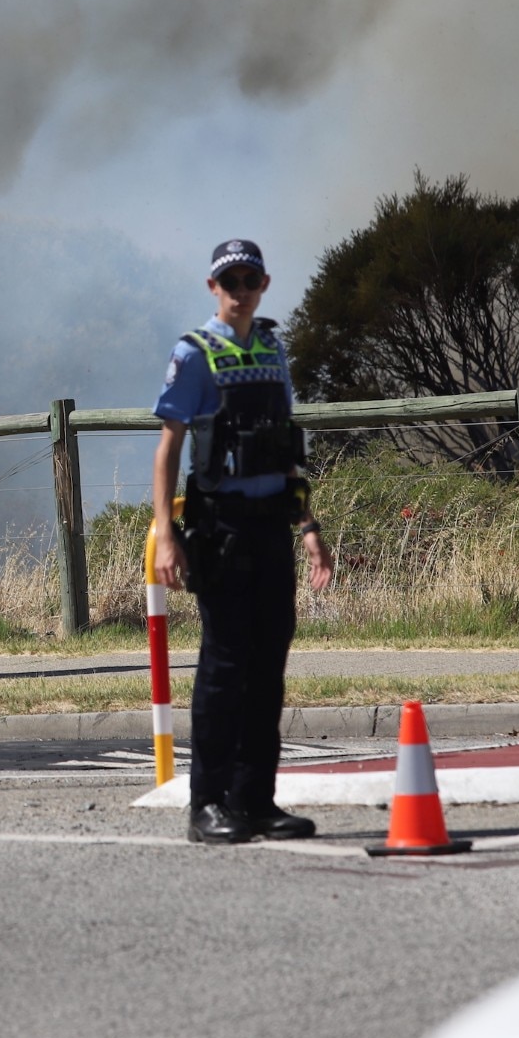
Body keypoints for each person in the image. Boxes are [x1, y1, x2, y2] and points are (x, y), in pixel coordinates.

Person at [152, 240, 334, 843]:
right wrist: (165, 533)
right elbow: (168, 448)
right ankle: (206, 805)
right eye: (229, 279)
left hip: (270, 528)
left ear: (264, 283)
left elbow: (286, 448)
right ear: (212, 287)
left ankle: (255, 800)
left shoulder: (272, 349)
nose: (240, 289)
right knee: (225, 667)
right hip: (220, 528)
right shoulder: (195, 352)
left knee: (269, 666)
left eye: (249, 278)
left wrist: (308, 530)